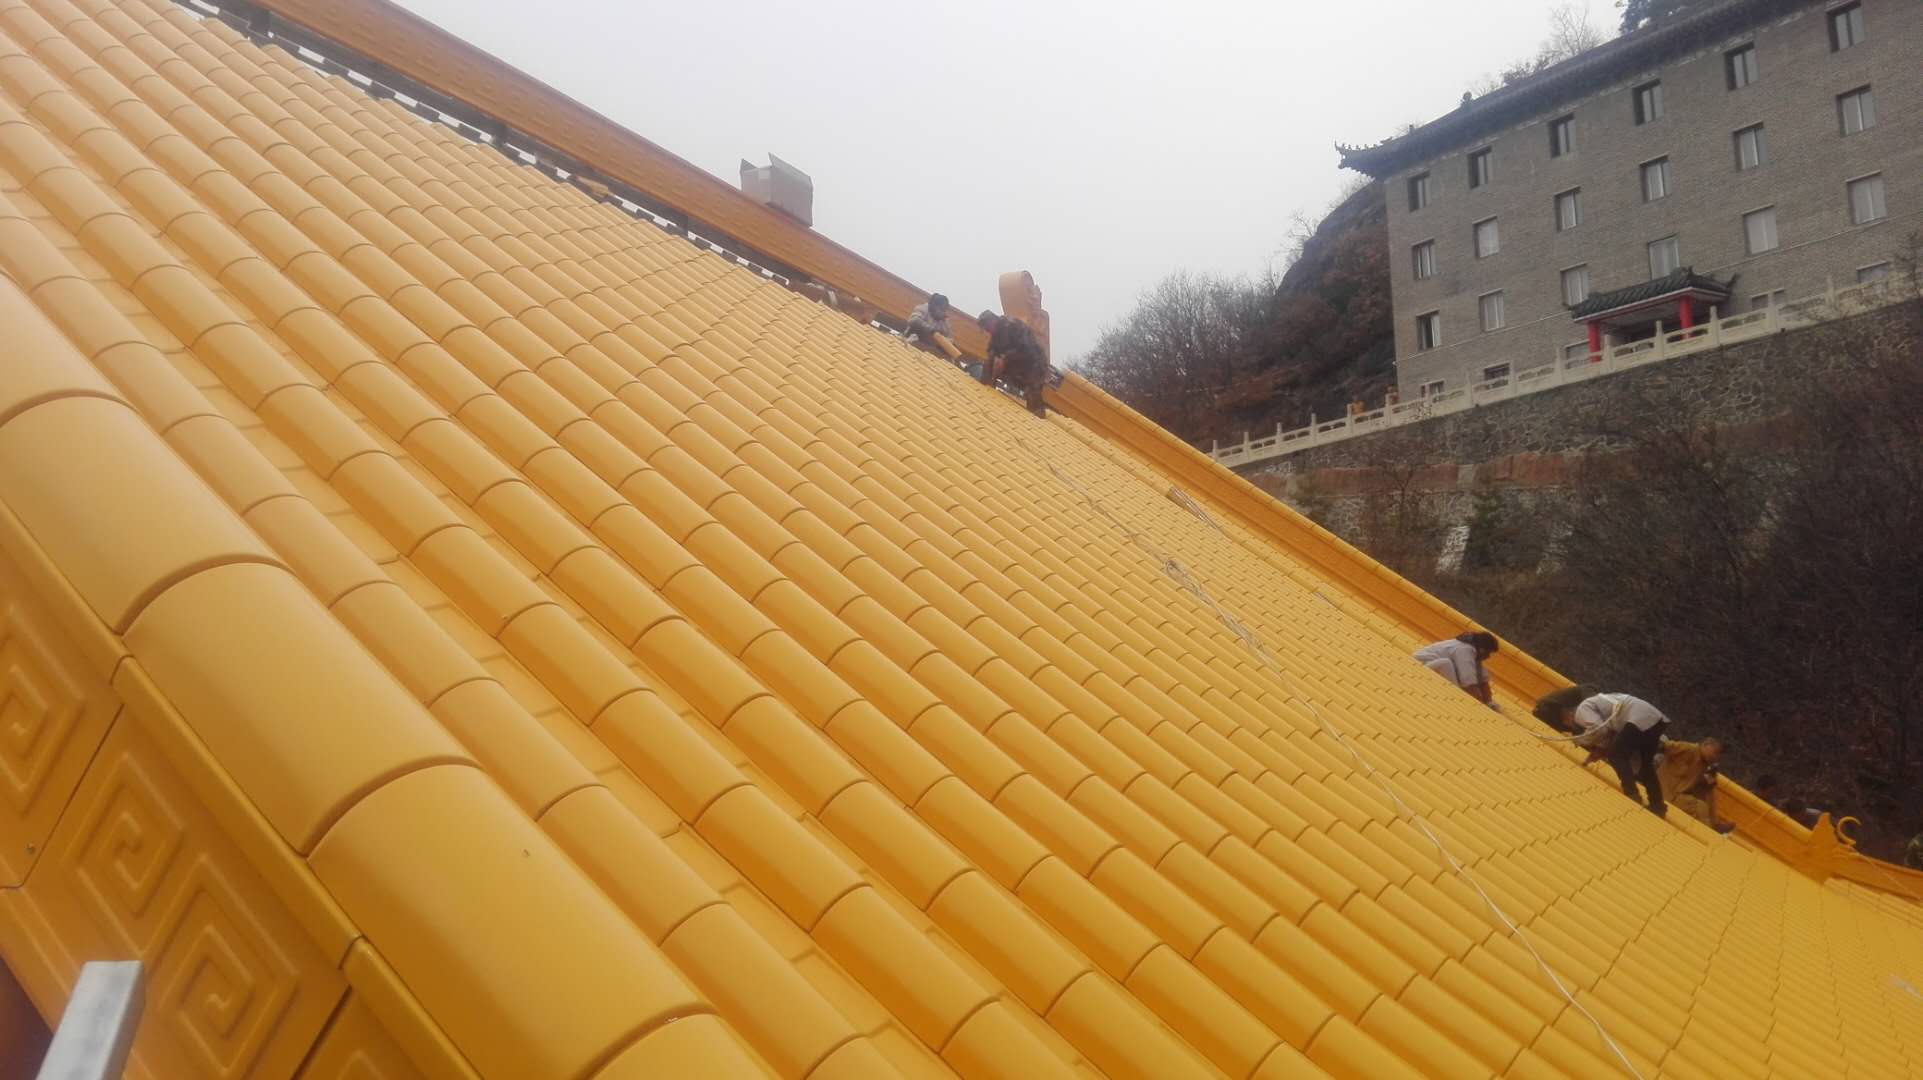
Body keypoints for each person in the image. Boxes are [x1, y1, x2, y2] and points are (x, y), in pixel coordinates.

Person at [1572, 693, 1670, 816]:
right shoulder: (1602, 705)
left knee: (1616, 756)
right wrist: (1598, 750)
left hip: (1640, 717)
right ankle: (1658, 806)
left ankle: (1632, 794)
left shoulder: (1582, 709)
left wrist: (1579, 740)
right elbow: (1606, 734)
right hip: (1656, 721)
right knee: (1645, 766)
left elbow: (1599, 729)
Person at [976, 310, 1049, 417]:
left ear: (993, 321)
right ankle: (985, 390)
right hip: (1015, 363)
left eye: (987, 328)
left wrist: (1005, 358)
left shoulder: (1014, 326)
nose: (987, 331)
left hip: (1034, 364)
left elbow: (1027, 350)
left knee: (1032, 392)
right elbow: (991, 350)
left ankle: (1037, 417)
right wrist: (995, 360)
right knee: (989, 361)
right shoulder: (996, 334)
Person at [1658, 737, 1735, 833]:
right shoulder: (1689, 749)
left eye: (1718, 755)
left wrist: (1710, 779)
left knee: (1709, 791)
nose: (1715, 757)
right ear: (1706, 745)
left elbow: (1704, 789)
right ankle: (1709, 833)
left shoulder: (1705, 765)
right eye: (1714, 752)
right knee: (1700, 807)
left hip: (1679, 796)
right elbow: (1665, 746)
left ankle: (1715, 824)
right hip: (1666, 793)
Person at [1412, 632, 1498, 704]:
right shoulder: (1465, 649)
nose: (1488, 657)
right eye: (1489, 653)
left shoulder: (1473, 653)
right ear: (1482, 650)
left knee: (1448, 666)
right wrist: (1480, 704)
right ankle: (1455, 695)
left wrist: (1489, 702)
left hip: (1431, 666)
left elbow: (1483, 681)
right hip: (1419, 667)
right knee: (1445, 663)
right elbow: (1468, 682)